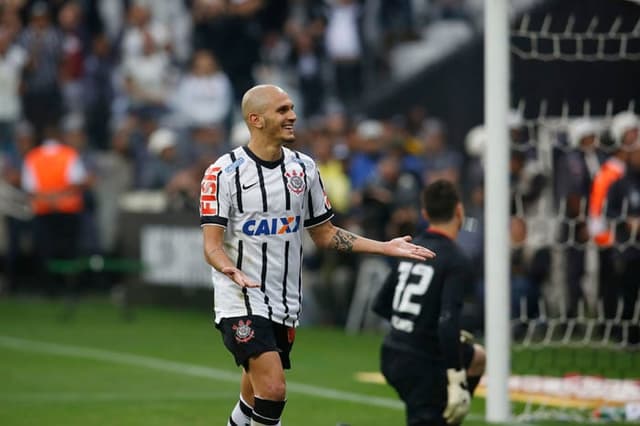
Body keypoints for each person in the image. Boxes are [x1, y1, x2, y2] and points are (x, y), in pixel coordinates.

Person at [199, 84, 436, 426]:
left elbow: (324, 234)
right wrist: (230, 271)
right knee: (274, 390)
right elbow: (211, 245)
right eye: (282, 110)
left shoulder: (304, 169)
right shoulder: (223, 173)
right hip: (240, 300)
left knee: (252, 397)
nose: (292, 116)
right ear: (256, 119)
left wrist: (384, 246)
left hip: (284, 302)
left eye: (292, 108)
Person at [372, 179, 486, 426]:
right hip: (421, 361)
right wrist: (456, 380)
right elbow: (447, 323)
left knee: (477, 357)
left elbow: (381, 304)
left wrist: (415, 325)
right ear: (459, 211)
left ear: (425, 213)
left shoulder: (411, 248)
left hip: (392, 351)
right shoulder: (456, 259)